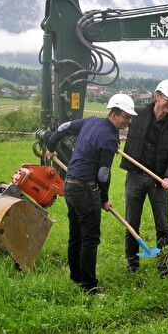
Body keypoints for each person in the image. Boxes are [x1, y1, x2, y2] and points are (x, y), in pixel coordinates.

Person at [45, 93, 136, 295]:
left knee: (76, 234)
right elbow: (103, 175)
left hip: (69, 185)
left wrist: (50, 146)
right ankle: (89, 286)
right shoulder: (109, 138)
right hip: (86, 189)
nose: (128, 121)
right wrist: (104, 198)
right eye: (126, 116)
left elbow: (62, 128)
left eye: (130, 117)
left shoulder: (91, 122)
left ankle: (76, 278)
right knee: (90, 238)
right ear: (114, 114)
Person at [120, 79, 168, 277]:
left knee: (163, 226)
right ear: (157, 97)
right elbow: (116, 123)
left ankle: (164, 267)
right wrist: (113, 140)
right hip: (135, 176)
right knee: (131, 223)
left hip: (158, 181)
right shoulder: (137, 114)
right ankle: (132, 265)